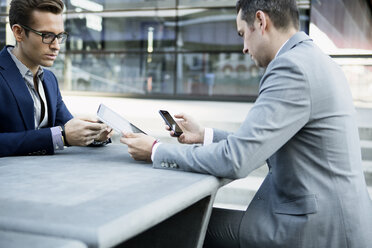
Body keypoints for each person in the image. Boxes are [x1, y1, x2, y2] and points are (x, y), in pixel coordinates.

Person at [120, 0, 372, 247]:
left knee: (174, 226)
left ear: (261, 21)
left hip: (316, 230)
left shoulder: (290, 67)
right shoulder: (316, 60)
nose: (243, 47)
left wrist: (156, 150)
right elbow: (262, 142)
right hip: (335, 218)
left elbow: (236, 160)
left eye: (242, 34)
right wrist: (204, 135)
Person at [0, 0, 111, 157]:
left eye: (59, 36)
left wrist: (93, 133)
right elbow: (61, 134)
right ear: (19, 32)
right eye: (47, 35)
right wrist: (60, 136)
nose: (56, 45)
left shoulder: (49, 79)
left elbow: (67, 127)